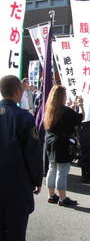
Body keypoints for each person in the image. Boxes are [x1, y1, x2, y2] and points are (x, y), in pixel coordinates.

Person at [0, 75, 43, 241]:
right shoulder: (24, 118)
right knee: (16, 234)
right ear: (18, 91)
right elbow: (32, 153)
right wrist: (36, 180)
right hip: (17, 186)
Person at [44, 85, 84, 207]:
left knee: (52, 168)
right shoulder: (66, 111)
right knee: (62, 170)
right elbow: (80, 117)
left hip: (50, 140)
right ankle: (62, 198)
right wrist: (81, 105)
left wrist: (72, 107)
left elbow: (63, 116)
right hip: (62, 142)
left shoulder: (49, 108)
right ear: (62, 96)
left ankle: (52, 195)